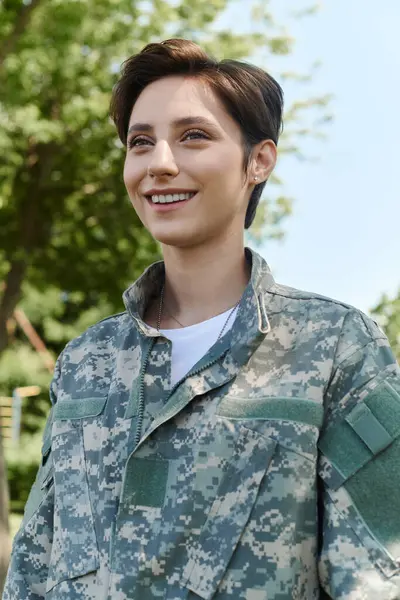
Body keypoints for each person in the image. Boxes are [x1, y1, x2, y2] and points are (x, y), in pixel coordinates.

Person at [3, 38, 400, 600]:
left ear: (258, 160)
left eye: (193, 136)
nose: (160, 164)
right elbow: (32, 571)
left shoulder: (333, 347)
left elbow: (377, 579)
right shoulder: (86, 363)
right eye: (141, 143)